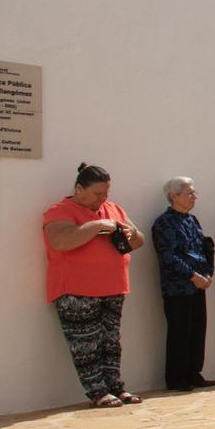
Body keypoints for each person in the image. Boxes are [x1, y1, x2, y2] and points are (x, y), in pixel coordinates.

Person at [42, 162, 143, 408]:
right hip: (76, 291)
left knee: (111, 342)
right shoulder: (60, 211)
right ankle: (97, 392)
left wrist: (131, 234)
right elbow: (61, 241)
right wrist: (97, 225)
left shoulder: (113, 208)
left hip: (114, 288)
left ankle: (115, 387)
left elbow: (138, 240)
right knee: (85, 344)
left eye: (106, 192)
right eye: (98, 193)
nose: (103, 198)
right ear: (79, 189)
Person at [150, 177, 215, 392]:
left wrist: (207, 273)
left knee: (198, 329)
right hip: (178, 286)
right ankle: (177, 377)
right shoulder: (163, 223)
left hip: (197, 284)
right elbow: (168, 256)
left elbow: (203, 247)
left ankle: (193, 372)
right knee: (180, 331)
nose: (194, 197)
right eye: (189, 193)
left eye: (194, 193)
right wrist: (192, 275)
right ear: (174, 196)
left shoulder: (192, 220)